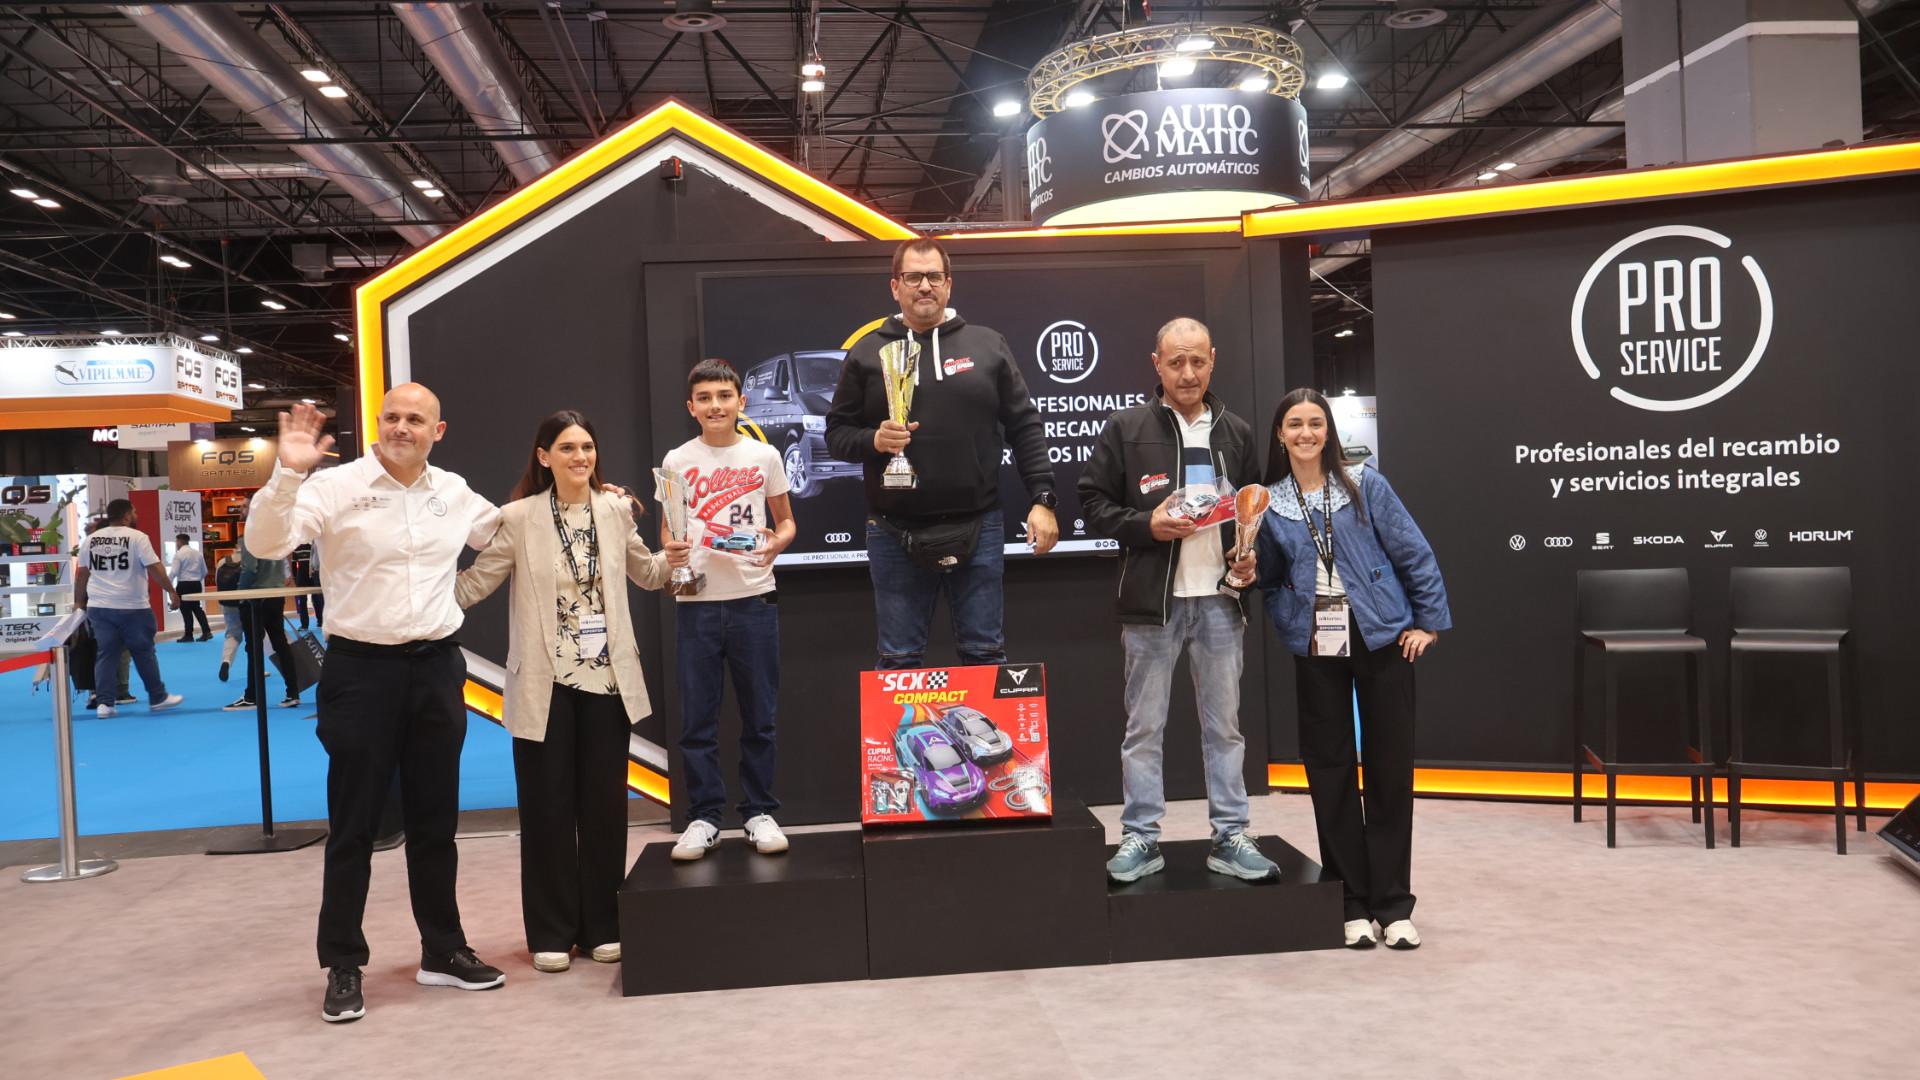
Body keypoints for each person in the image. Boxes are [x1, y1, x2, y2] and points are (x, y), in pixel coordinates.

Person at [246, 385, 506, 1024]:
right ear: (378, 423)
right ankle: (342, 963)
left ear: (437, 431)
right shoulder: (334, 487)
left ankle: (442, 950)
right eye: (391, 416)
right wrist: (287, 473)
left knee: (435, 820)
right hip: (360, 671)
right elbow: (266, 544)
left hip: (436, 668)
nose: (400, 427)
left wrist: (589, 497)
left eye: (415, 419)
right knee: (355, 823)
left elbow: (510, 530)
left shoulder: (454, 491)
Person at [455, 409, 688, 973]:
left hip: (607, 682)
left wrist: (675, 558)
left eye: (587, 446)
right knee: (546, 811)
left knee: (605, 810)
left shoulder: (615, 509)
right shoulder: (517, 518)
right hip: (544, 685)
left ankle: (603, 925)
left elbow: (647, 573)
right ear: (544, 457)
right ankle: (551, 932)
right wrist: (412, 593)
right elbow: (475, 583)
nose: (580, 456)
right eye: (566, 448)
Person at [1078, 317, 1276, 884]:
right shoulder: (1126, 427)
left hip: (1221, 602)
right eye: (1176, 361)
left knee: (1225, 729)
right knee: (1144, 729)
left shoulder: (1236, 431)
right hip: (1152, 605)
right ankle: (1141, 838)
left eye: (1197, 361)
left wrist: (1247, 558)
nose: (1188, 373)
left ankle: (1231, 835)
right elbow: (1093, 505)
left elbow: (1252, 508)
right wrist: (1147, 525)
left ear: (1213, 360)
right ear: (1156, 364)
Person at [1253, 388, 1450, 950]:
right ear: (1280, 434)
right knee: (1329, 770)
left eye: (1316, 423)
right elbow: (1269, 576)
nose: (1306, 433)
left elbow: (1413, 552)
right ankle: (1351, 903)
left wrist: (1428, 622)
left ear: (1329, 432)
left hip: (1381, 635)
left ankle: (1393, 904)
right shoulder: (1269, 502)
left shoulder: (1366, 484)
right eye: (1295, 424)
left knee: (1390, 768)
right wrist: (1282, 607)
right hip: (1315, 641)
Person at [825, 236, 1059, 670]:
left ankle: (984, 722)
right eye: (913, 277)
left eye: (934, 276)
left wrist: (1042, 500)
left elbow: (1025, 425)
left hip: (980, 525)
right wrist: (874, 440)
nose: (924, 286)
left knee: (985, 656)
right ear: (895, 286)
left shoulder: (988, 345)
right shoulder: (867, 352)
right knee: (898, 660)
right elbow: (836, 435)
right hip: (893, 530)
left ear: (949, 284)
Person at [661, 359, 797, 861]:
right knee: (697, 721)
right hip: (696, 602)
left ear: (741, 402)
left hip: (753, 599)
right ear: (691, 407)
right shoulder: (677, 459)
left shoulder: (764, 455)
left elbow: (786, 522)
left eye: (724, 396)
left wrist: (775, 544)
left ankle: (759, 812)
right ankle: (704, 817)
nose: (715, 406)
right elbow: (669, 528)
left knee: (759, 716)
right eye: (705, 398)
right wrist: (672, 548)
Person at [73, 499, 183, 719]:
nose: (136, 515)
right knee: (143, 652)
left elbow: (82, 573)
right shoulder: (137, 537)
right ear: (126, 516)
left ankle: (104, 703)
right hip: (132, 606)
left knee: (106, 654)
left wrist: (78, 602)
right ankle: (157, 697)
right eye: (134, 512)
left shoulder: (91, 539)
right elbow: (154, 567)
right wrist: (171, 590)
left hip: (99, 606)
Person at [223, 541, 299, 711]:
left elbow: (250, 569)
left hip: (255, 598)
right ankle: (293, 693)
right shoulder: (277, 539)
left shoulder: (252, 537)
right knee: (280, 643)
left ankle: (251, 696)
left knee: (253, 647)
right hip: (276, 595)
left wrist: (241, 594)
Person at [170, 533, 212, 642]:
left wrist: (168, 584)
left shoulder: (179, 554)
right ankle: (206, 631)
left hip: (184, 584)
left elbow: (174, 572)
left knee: (185, 610)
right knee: (197, 608)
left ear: (179, 541)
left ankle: (188, 635)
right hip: (196, 584)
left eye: (176, 541)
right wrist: (196, 579)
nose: (176, 544)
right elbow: (205, 571)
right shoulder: (198, 554)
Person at [213, 549, 245, 682]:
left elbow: (217, 583)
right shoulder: (251, 561)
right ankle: (256, 668)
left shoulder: (222, 561)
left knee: (232, 635)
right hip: (246, 603)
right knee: (255, 637)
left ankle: (226, 661)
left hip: (228, 603)